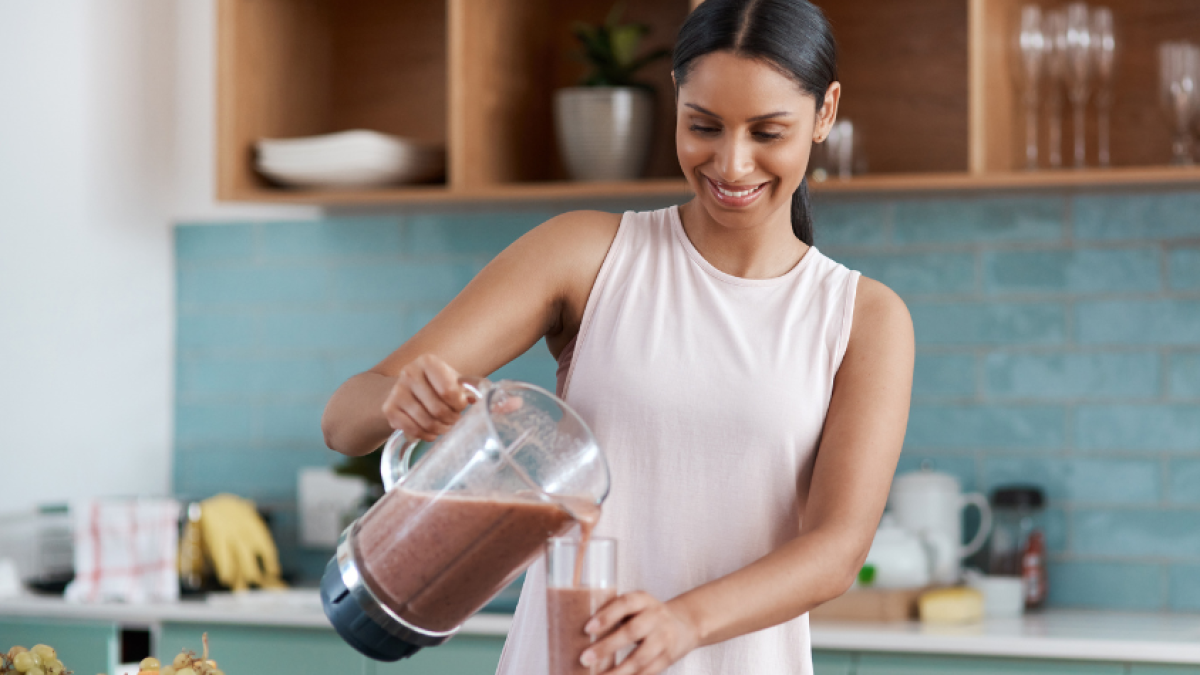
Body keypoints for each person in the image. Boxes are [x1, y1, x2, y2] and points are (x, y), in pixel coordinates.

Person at [321, 0, 913, 672]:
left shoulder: (863, 317)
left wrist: (684, 621)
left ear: (825, 112)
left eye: (768, 132)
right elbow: (343, 420)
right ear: (676, 100)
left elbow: (836, 550)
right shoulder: (587, 254)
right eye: (704, 126)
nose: (732, 163)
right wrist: (403, 400)